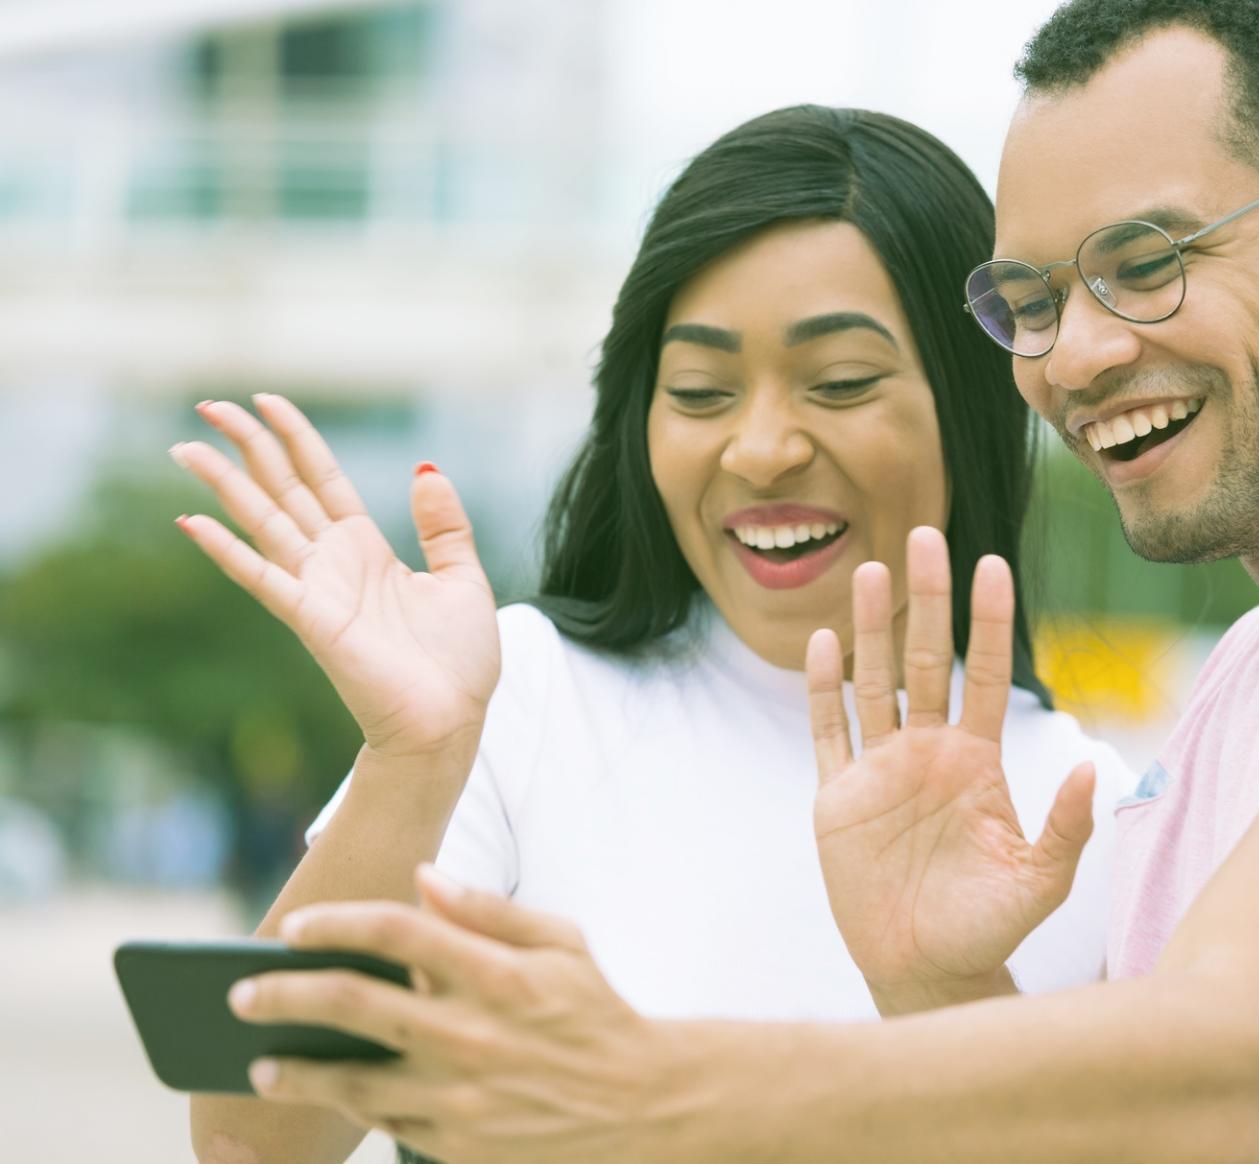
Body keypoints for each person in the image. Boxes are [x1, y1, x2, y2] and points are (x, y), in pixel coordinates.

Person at [222, 1, 1259, 1160]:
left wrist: (642, 1083)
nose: (1078, 352)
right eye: (1032, 298)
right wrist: (935, 984)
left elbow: (1243, 1071)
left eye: (1146, 262)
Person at [175, 104, 1132, 1164]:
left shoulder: (1082, 814)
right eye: (700, 391)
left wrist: (944, 992)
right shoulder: (517, 700)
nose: (760, 449)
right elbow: (247, 1138)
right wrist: (416, 761)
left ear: (974, 403)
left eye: (841, 382)